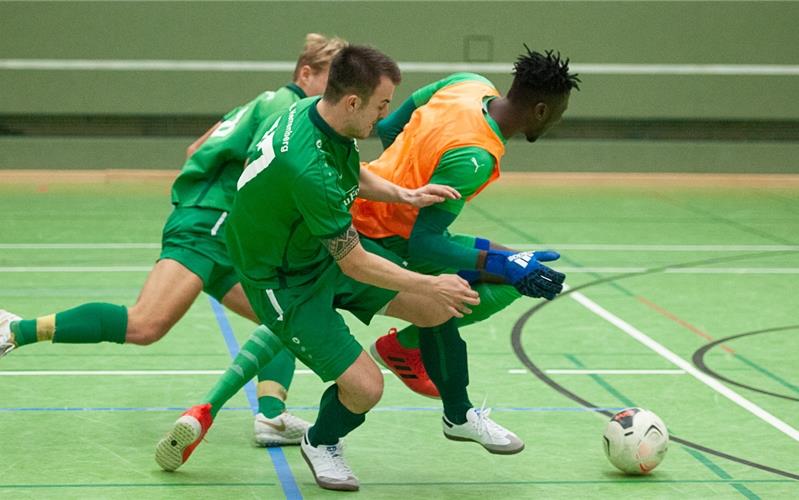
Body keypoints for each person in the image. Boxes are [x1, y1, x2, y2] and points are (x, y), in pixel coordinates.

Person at [154, 45, 497, 492]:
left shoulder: (308, 111)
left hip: (311, 252)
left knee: (436, 310)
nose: (385, 116)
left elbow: (351, 170)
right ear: (353, 102)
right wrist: (429, 281)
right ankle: (321, 442)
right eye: (382, 105)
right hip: (282, 282)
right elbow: (354, 262)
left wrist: (405, 195)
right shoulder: (308, 169)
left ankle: (459, 415)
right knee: (366, 388)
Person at [0, 33, 347, 447]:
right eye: (333, 82)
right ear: (306, 73)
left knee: (286, 316)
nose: (338, 95)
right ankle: (14, 329)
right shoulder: (289, 109)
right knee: (146, 324)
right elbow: (276, 172)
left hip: (224, 231)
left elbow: (194, 148)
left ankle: (271, 416)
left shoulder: (260, 103)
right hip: (212, 225)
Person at [352, 48, 579, 451]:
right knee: (463, 289)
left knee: (519, 269)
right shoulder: (474, 156)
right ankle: (446, 399)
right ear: (541, 110)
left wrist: (398, 175)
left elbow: (388, 127)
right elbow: (426, 241)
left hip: (378, 202)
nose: (559, 120)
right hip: (376, 233)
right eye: (559, 113)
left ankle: (403, 349)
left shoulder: (466, 83)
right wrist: (501, 262)